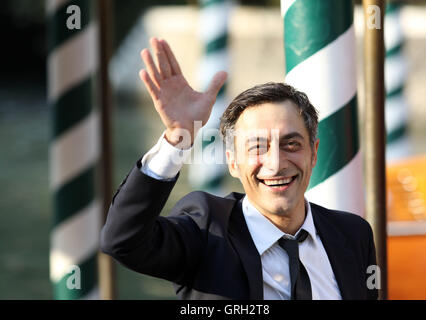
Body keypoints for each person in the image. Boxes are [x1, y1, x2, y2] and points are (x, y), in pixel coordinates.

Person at [100, 38, 378, 300]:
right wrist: (178, 137)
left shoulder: (353, 235)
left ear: (314, 152)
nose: (276, 163)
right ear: (232, 161)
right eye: (257, 147)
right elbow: (123, 241)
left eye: (291, 144)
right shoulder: (207, 230)